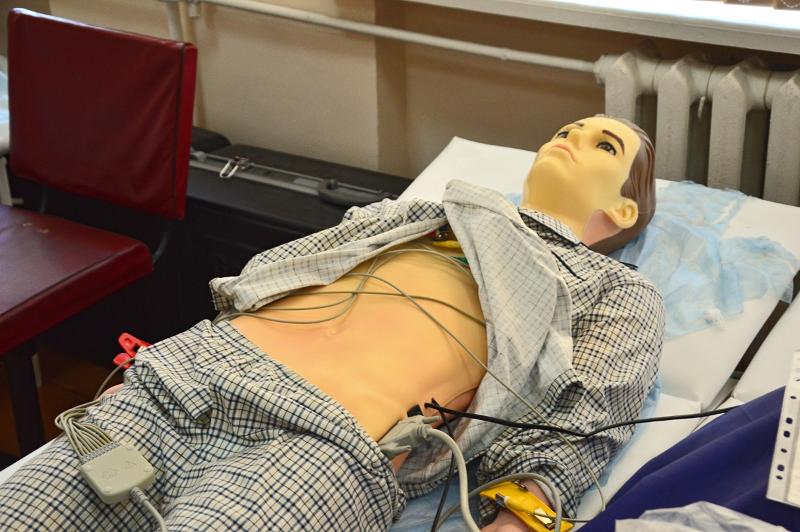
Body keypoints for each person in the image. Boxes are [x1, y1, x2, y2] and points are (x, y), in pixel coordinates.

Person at [0, 116, 663, 531]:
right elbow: (265, 281)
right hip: (186, 383)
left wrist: (522, 515)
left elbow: (590, 410)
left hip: (320, 442)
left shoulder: (613, 287)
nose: (570, 138)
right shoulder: (420, 214)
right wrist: (155, 366)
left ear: (625, 212)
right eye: (567, 129)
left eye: (602, 143)